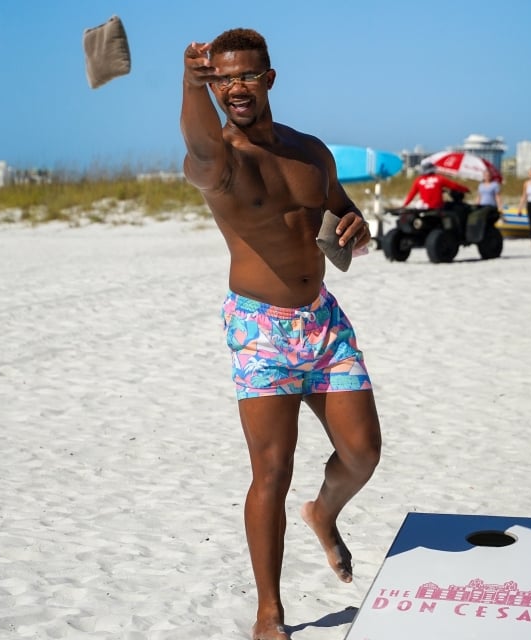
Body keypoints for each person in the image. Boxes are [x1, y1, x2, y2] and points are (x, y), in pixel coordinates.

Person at [181, 28, 381, 640]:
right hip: (260, 329)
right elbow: (195, 136)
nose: (235, 88)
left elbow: (346, 214)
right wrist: (191, 80)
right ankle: (269, 611)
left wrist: (357, 230)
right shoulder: (218, 160)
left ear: (269, 79)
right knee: (271, 470)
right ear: (213, 86)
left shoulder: (310, 151)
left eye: (245, 76)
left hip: (322, 319)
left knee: (363, 453)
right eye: (222, 80)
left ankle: (323, 513)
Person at [402, 162, 469, 209]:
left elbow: (411, 194)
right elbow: (454, 186)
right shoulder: (439, 179)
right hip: (438, 206)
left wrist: (405, 205)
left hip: (425, 207)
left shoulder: (418, 181)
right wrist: (466, 189)